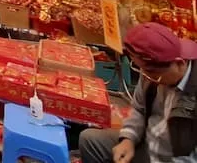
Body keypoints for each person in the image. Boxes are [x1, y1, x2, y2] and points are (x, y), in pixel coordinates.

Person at [79, 22, 197, 163]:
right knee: (90, 140)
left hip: (174, 159)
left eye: (154, 75)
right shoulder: (151, 70)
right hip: (147, 144)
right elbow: (139, 108)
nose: (148, 78)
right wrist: (128, 139)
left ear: (179, 63)